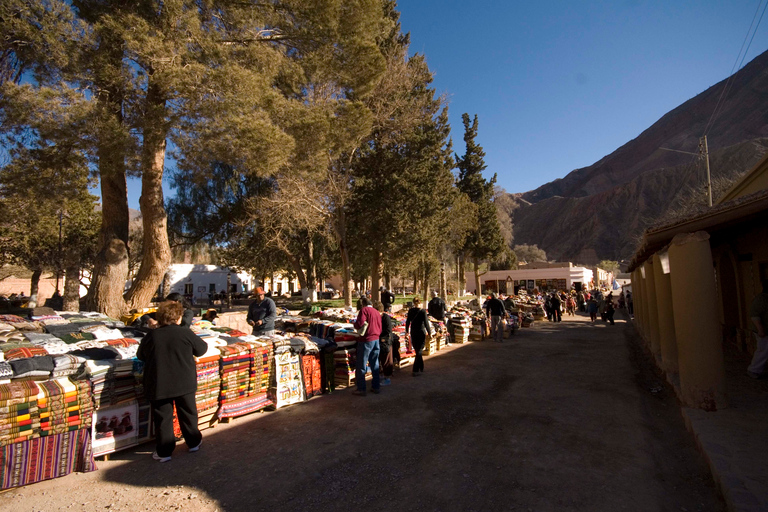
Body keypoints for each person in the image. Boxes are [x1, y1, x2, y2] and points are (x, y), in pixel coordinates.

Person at [136, 301, 207, 462]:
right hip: (184, 381)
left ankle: (164, 452)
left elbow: (141, 355)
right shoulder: (185, 333)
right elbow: (202, 349)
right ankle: (193, 442)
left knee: (163, 418)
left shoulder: (152, 335)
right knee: (188, 413)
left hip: (159, 383)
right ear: (178, 317)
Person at [352, 297, 382, 395]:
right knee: (375, 364)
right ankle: (376, 386)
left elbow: (360, 323)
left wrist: (354, 325)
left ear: (363, 304)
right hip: (376, 339)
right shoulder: (376, 312)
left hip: (366, 340)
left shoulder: (364, 310)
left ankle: (361, 388)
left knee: (362, 364)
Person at [748, 280, 768, 379]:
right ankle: (754, 370)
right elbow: (754, 315)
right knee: (763, 350)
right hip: (763, 331)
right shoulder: (761, 299)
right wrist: (760, 329)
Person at [406, 297, 430, 375]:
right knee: (419, 350)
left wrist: (407, 331)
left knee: (417, 349)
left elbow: (407, 322)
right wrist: (429, 332)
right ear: (420, 303)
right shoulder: (423, 311)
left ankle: (421, 366)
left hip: (413, 332)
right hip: (421, 332)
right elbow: (426, 323)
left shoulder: (410, 311)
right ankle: (415, 369)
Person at [375, 301, 394, 386]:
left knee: (387, 360)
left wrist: (380, 336)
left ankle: (387, 378)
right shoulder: (377, 318)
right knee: (380, 360)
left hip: (385, 342)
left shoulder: (385, 318)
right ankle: (382, 375)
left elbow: (388, 331)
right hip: (379, 342)